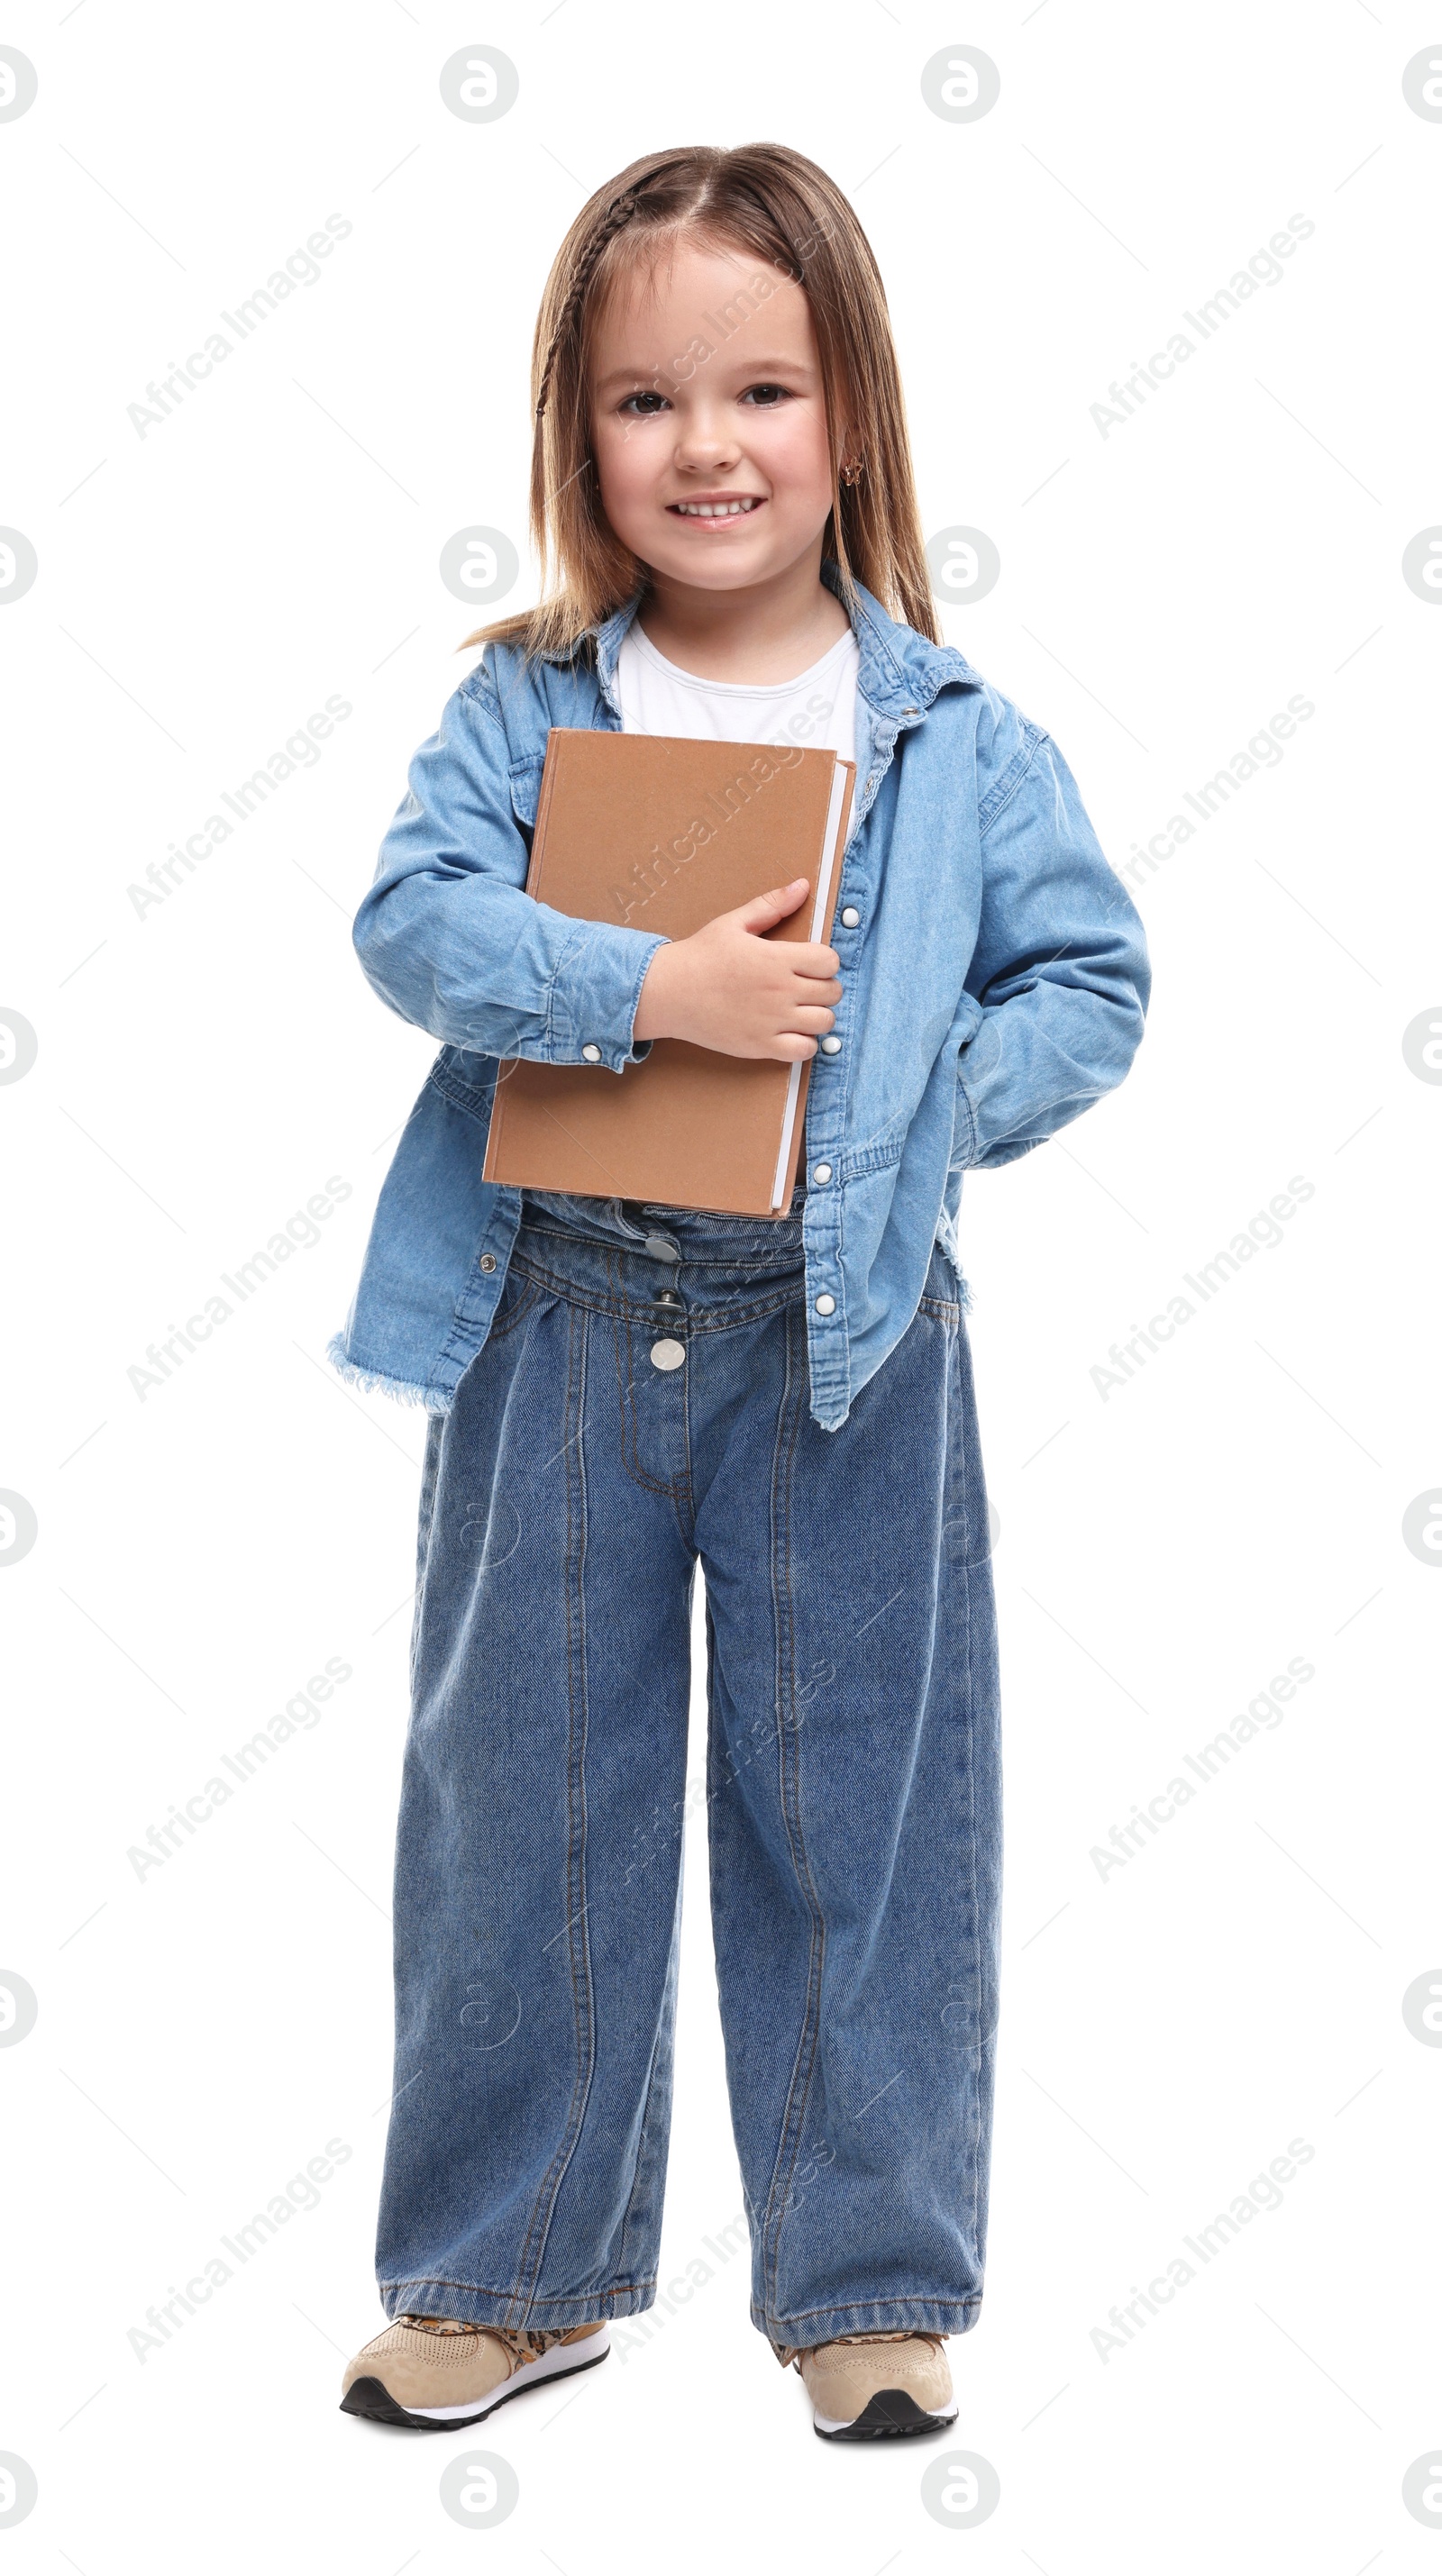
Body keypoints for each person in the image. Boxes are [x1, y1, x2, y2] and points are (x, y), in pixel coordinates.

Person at [331, 142, 1149, 2444]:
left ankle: (867, 2282)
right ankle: (507, 2269)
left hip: (847, 1327)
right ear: (574, 438)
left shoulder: (953, 736)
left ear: (849, 421)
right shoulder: (524, 705)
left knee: (856, 1811)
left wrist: (909, 1093)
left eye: (761, 390)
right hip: (558, 1308)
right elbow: (411, 925)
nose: (705, 447)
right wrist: (650, 984)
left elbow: (1092, 981)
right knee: (527, 1805)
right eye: (641, 401)